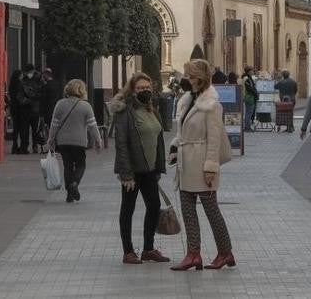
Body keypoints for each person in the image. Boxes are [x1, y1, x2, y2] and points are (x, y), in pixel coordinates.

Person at [170, 58, 235, 271]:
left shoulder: (212, 105)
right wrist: (174, 147)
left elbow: (214, 139)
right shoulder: (188, 101)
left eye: (190, 76)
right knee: (188, 211)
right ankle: (193, 254)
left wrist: (210, 167)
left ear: (200, 78)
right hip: (186, 164)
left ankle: (225, 252)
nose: (186, 79)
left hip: (202, 165)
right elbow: (182, 132)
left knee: (211, 211)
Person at [111, 73, 171, 265]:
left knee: (154, 207)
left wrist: (159, 167)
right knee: (128, 209)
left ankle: (148, 249)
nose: (145, 91)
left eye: (147, 88)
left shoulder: (151, 109)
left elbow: (158, 139)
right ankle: (128, 251)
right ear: (132, 90)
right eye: (140, 88)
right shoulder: (125, 111)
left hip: (150, 170)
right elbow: (121, 143)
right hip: (133, 171)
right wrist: (126, 174)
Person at [48, 79, 102, 203]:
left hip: (63, 142)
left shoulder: (60, 104)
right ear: (82, 90)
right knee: (81, 165)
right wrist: (98, 141)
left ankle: (69, 194)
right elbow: (93, 126)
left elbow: (54, 124)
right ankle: (75, 183)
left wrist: (50, 139)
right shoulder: (86, 106)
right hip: (79, 142)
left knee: (67, 166)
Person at [8, 64, 42, 154]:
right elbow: (19, 96)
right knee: (25, 130)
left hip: (33, 109)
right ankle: (24, 147)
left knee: (34, 129)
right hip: (25, 110)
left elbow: (41, 93)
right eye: (28, 72)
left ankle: (34, 146)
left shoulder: (38, 80)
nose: (29, 73)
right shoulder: (22, 82)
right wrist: (29, 100)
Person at [242, 66, 258, 133]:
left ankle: (247, 127)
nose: (253, 72)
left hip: (250, 97)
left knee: (249, 112)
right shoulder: (247, 78)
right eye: (252, 70)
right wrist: (255, 93)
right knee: (249, 113)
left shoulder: (248, 78)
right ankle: (247, 127)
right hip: (249, 97)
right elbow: (249, 88)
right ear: (248, 71)